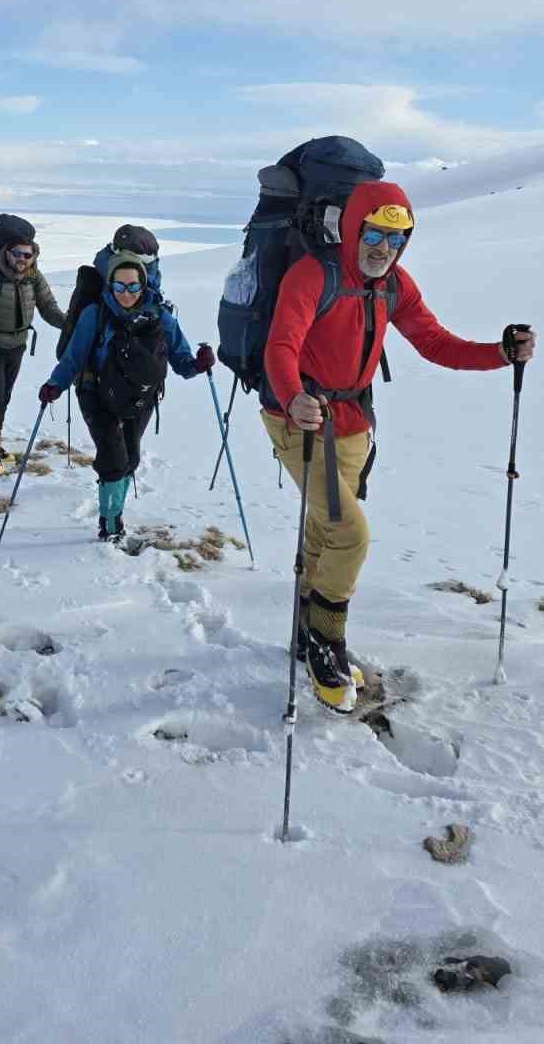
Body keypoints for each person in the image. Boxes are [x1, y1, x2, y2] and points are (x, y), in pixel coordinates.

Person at [262, 181, 536, 713]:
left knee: (324, 530)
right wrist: (294, 398)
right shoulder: (313, 275)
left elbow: (434, 342)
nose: (383, 248)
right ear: (353, 228)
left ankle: (303, 629)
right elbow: (281, 344)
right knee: (348, 534)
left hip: (352, 423)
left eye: (396, 238)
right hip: (301, 422)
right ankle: (326, 643)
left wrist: (499, 354)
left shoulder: (394, 285)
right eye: (373, 234)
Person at [39, 249, 215, 541]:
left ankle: (114, 510)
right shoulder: (95, 314)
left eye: (133, 286)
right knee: (113, 459)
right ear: (110, 284)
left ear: (143, 285)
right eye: (119, 286)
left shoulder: (160, 316)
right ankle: (110, 524)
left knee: (130, 459)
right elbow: (74, 357)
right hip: (95, 393)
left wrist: (198, 364)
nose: (126, 293)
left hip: (139, 398)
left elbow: (181, 360)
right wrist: (55, 385)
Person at [0, 228, 65, 471]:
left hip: (18, 345)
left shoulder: (34, 276)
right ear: (7, 253)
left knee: (4, 396)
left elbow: (48, 307)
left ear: (33, 256)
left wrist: (70, 325)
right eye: (17, 253)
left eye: (27, 255)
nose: (22, 259)